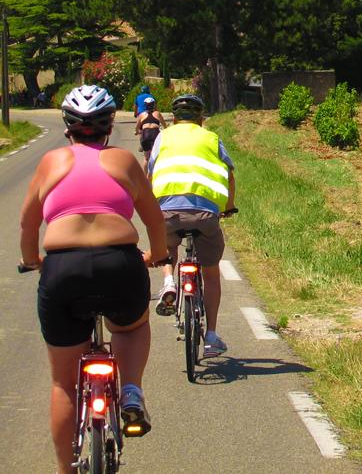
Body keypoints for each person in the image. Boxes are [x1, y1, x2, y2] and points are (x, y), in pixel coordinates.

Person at [19, 85, 168, 474]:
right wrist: (158, 255)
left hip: (62, 271)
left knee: (64, 385)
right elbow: (153, 216)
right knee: (132, 328)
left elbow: (28, 221)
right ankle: (131, 389)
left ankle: (65, 470)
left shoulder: (50, 162)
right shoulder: (123, 161)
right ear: (106, 127)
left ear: (68, 127)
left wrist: (31, 259)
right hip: (119, 263)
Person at [149, 93, 235, 358]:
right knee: (210, 275)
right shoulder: (212, 138)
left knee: (166, 248)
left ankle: (168, 283)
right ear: (201, 120)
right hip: (205, 215)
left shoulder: (163, 137)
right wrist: (228, 207)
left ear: (173, 119)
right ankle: (210, 336)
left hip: (168, 212)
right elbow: (229, 175)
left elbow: (150, 171)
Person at [134, 96, 166, 164]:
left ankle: (145, 174)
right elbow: (164, 126)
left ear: (145, 105)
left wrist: (137, 132)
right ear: (153, 105)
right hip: (155, 134)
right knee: (156, 157)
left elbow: (137, 128)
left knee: (146, 158)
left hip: (145, 134)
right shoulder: (157, 113)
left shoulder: (142, 115)